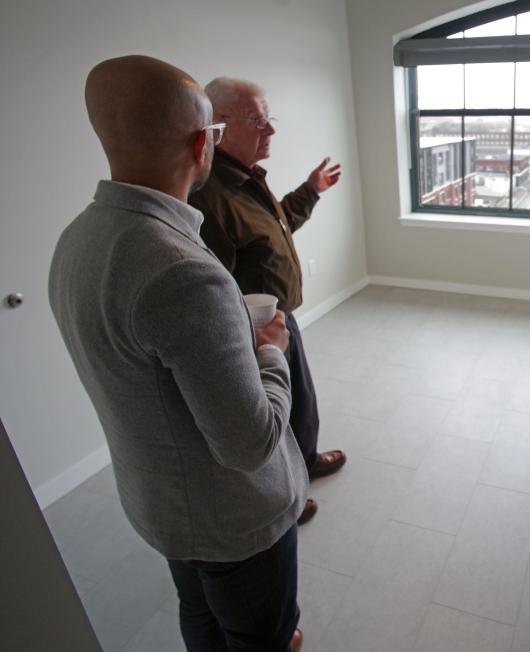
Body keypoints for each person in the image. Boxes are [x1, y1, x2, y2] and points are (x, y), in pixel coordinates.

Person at [49, 56, 309, 651]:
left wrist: (222, 328)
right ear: (201, 145)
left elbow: (145, 356)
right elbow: (247, 443)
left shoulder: (77, 241)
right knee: (256, 632)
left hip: (160, 502)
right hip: (231, 519)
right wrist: (269, 352)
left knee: (198, 615)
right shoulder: (185, 272)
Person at [189, 77, 346, 526]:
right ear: (217, 125)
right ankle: (287, 497)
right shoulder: (209, 195)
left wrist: (310, 190)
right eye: (258, 120)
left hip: (278, 318)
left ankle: (308, 459)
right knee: (272, 415)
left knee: (300, 400)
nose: (270, 130)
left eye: (268, 118)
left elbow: (272, 233)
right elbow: (214, 283)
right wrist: (253, 338)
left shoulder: (246, 180)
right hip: (252, 331)